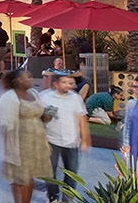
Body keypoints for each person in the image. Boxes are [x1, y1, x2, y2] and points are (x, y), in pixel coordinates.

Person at [0, 68, 53, 203]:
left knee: (29, 178)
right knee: (21, 179)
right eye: (27, 77)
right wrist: (9, 150)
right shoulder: (10, 97)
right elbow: (6, 125)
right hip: (20, 144)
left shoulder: (33, 93)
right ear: (18, 81)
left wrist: (49, 114)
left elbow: (42, 113)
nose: (31, 80)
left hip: (36, 143)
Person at [40, 73, 91, 202]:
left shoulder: (75, 98)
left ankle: (68, 199)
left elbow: (82, 119)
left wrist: (85, 139)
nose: (68, 85)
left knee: (71, 173)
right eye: (64, 82)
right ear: (56, 84)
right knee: (49, 172)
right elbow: (39, 120)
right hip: (51, 141)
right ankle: (53, 196)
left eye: (69, 82)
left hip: (71, 141)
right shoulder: (45, 97)